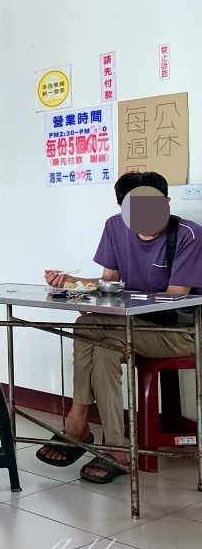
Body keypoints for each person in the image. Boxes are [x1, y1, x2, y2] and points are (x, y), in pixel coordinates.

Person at [37, 172, 202, 483]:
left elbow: (172, 299)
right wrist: (74, 283)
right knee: (100, 346)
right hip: (125, 327)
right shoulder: (114, 227)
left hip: (179, 333)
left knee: (90, 326)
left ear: (166, 203)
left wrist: (105, 295)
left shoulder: (189, 235)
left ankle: (77, 424)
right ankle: (116, 446)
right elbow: (109, 284)